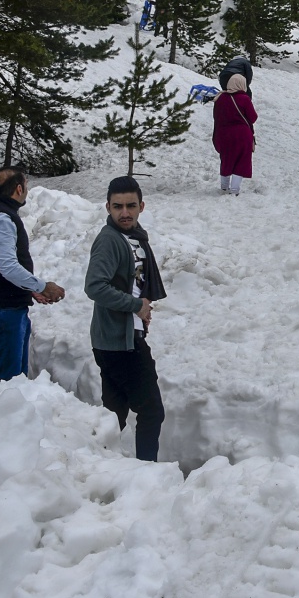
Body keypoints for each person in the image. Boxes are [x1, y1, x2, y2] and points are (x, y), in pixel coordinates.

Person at [84, 176, 167, 462]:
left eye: (131, 206)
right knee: (151, 410)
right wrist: (135, 305)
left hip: (119, 338)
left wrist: (141, 307)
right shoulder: (109, 240)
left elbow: (133, 282)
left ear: (141, 206)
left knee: (114, 411)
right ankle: (147, 470)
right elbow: (94, 286)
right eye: (117, 206)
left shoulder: (134, 238)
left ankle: (104, 463)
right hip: (118, 342)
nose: (125, 213)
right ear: (107, 206)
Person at [0, 167, 66, 381]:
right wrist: (42, 286)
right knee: (10, 382)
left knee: (17, 379)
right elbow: (8, 268)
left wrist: (29, 289)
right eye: (26, 187)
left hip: (4, 305)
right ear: (19, 188)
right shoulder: (1, 218)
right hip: (2, 311)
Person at [213, 73, 257, 195]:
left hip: (224, 134)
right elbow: (253, 117)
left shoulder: (220, 98)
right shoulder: (244, 99)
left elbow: (216, 116)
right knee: (241, 161)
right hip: (242, 135)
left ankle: (223, 187)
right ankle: (234, 190)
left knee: (226, 160)